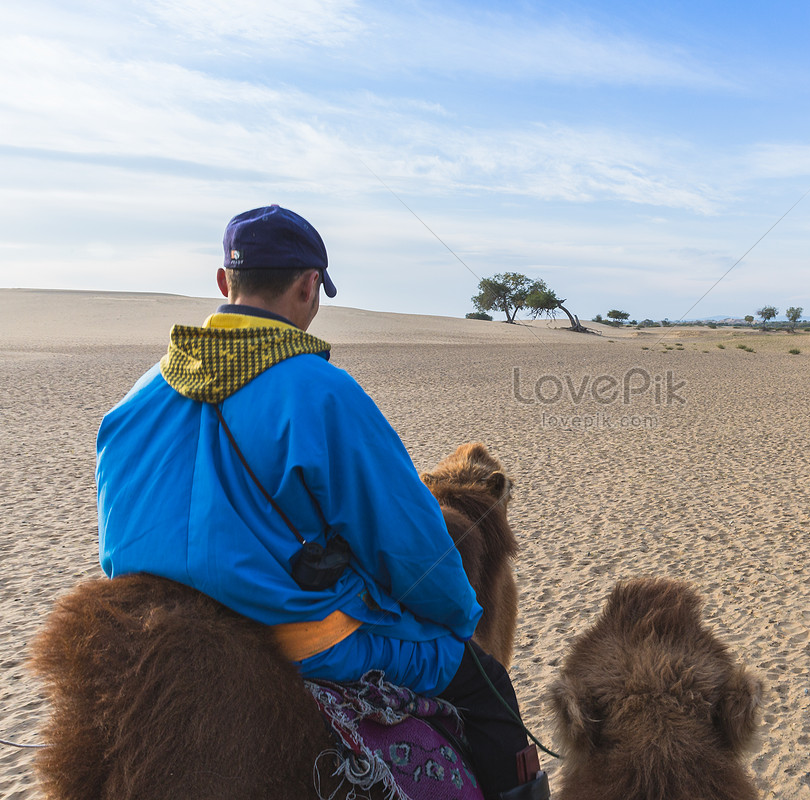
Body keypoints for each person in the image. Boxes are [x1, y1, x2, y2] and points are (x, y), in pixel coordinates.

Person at [96, 205, 548, 800]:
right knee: (488, 690)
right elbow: (411, 548)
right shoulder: (323, 393)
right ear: (310, 286)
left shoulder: (138, 396)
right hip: (297, 641)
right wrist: (461, 620)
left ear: (224, 283)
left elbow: (116, 543)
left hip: (155, 635)